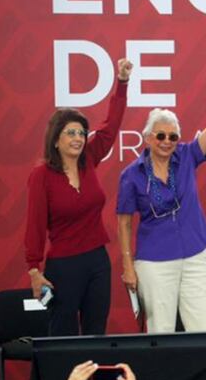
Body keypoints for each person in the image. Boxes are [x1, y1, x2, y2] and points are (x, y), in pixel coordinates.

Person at [116, 65, 206, 333]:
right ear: (148, 138)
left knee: (204, 329)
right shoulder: (131, 175)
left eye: (173, 136)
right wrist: (128, 265)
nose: (167, 141)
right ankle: (161, 377)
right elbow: (124, 224)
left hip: (195, 253)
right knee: (160, 332)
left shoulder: (186, 156)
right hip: (154, 261)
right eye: (160, 135)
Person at [25, 58, 132, 336]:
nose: (78, 138)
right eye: (70, 132)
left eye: (82, 133)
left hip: (97, 261)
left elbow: (110, 127)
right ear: (56, 139)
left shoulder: (89, 159)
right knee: (64, 335)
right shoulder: (42, 176)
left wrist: (122, 83)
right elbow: (34, 226)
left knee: (96, 333)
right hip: (63, 266)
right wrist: (34, 271)